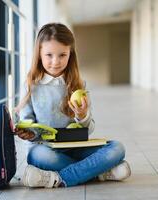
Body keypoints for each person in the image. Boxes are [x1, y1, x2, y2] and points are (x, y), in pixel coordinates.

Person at [15, 23, 131, 188]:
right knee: (39, 156)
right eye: (49, 55)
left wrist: (82, 115)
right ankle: (98, 173)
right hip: (46, 149)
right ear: (39, 54)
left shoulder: (78, 84)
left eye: (62, 55)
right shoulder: (30, 85)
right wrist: (28, 133)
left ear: (71, 54)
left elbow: (89, 129)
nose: (56, 62)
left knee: (117, 148)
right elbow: (29, 126)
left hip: (76, 147)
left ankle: (56, 179)